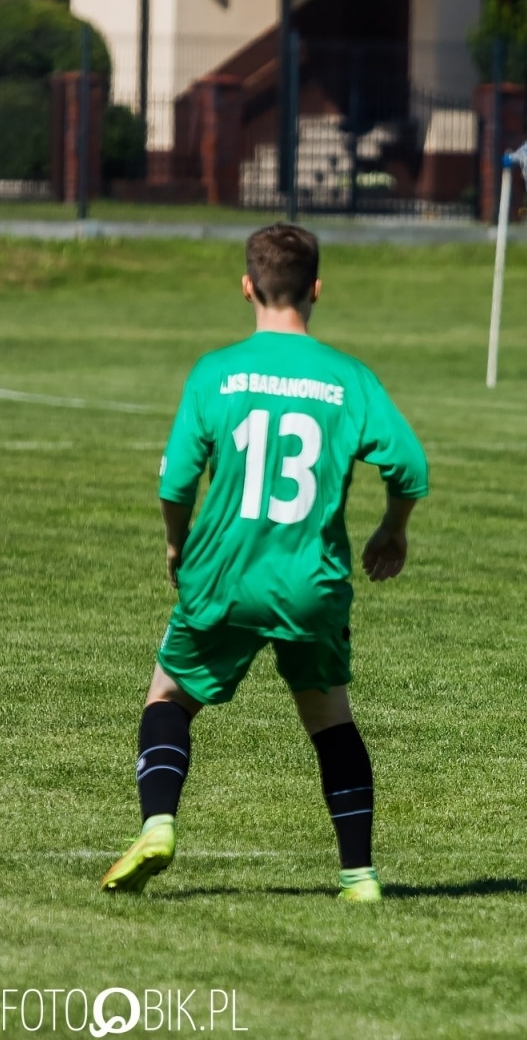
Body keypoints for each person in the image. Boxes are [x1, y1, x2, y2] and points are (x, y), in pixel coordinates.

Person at [100, 224, 428, 902]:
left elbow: (175, 483)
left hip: (223, 573)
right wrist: (392, 530)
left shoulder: (215, 372)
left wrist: (174, 544)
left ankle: (158, 824)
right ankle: (359, 874)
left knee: (168, 695)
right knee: (330, 717)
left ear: (247, 286)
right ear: (315, 289)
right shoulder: (348, 378)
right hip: (310, 581)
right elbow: (411, 468)